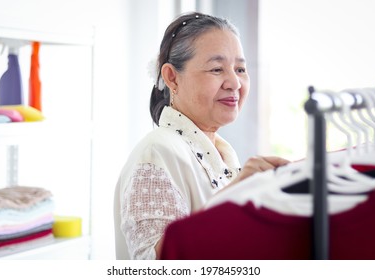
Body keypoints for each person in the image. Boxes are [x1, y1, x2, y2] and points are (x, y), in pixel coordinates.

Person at [114, 11, 289, 260]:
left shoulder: (221, 153)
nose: (235, 83)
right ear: (172, 78)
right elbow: (153, 266)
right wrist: (235, 196)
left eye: (240, 69)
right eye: (217, 69)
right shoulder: (156, 153)